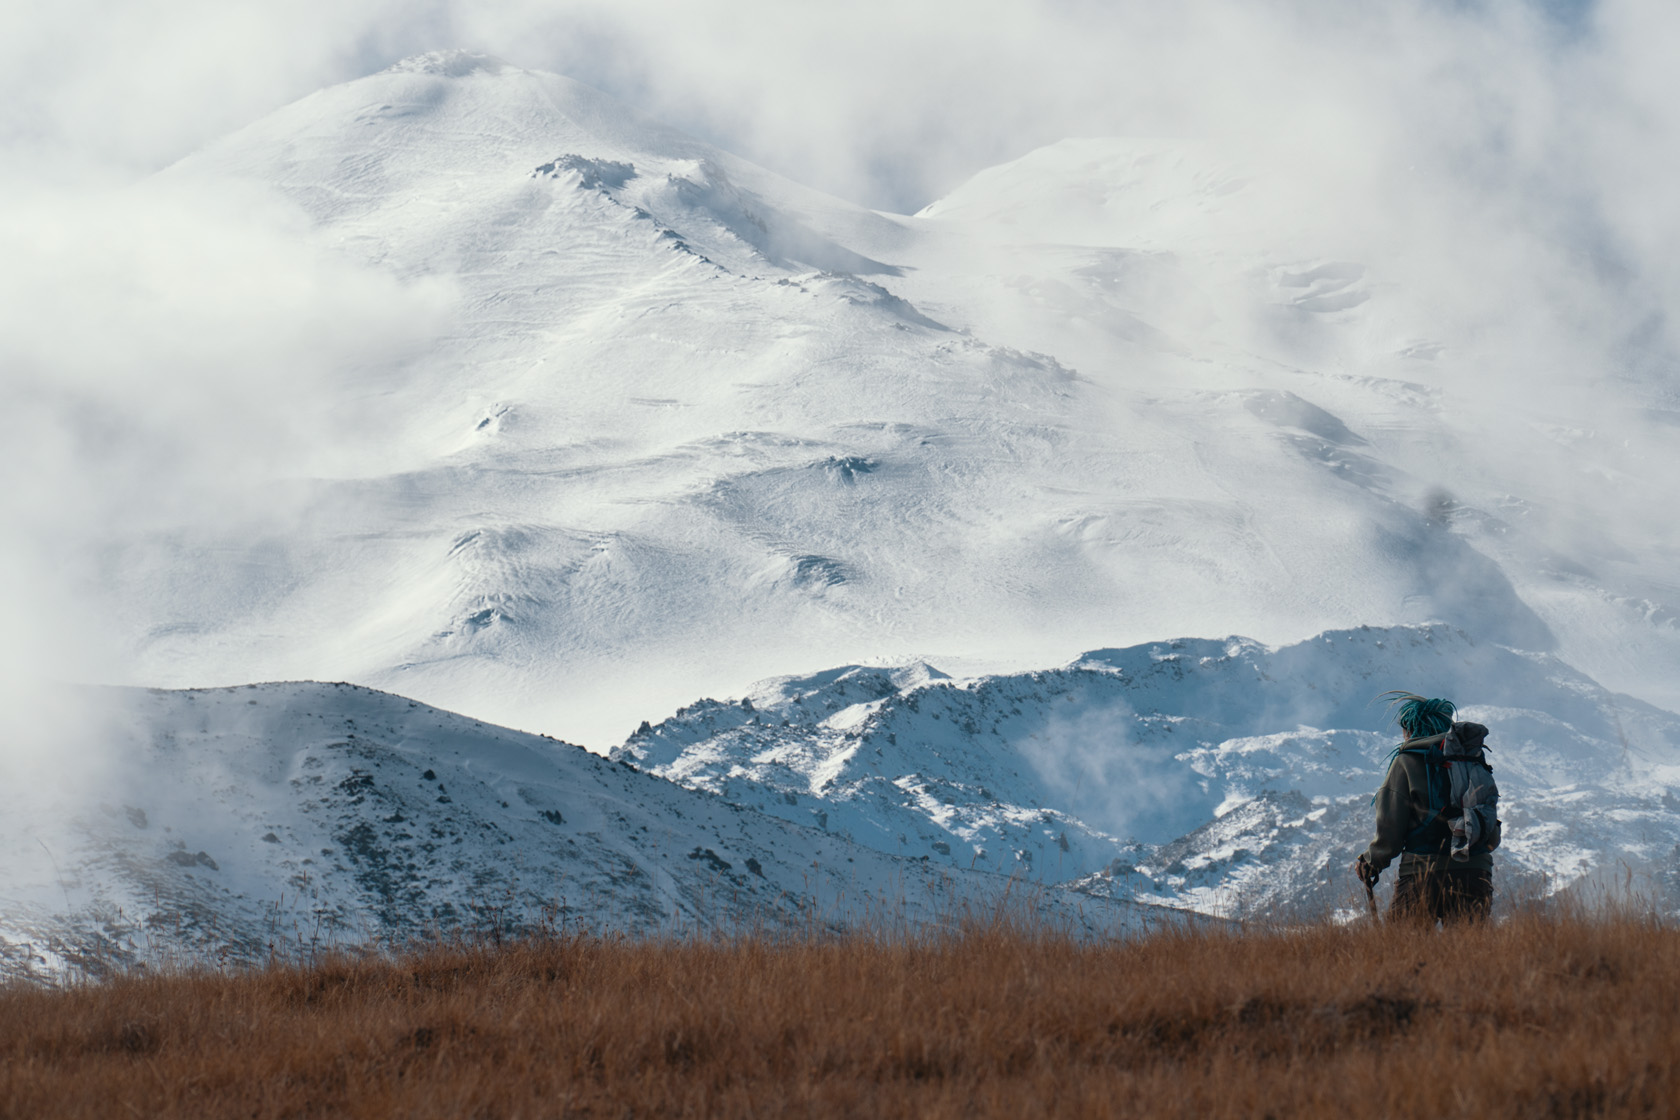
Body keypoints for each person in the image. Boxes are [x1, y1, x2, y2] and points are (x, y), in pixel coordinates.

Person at [1354, 694, 1497, 923]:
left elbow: (1390, 828)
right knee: (1469, 953)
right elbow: (1491, 827)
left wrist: (1371, 862)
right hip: (1476, 872)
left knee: (1405, 951)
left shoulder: (1406, 761)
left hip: (1421, 874)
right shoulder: (1472, 759)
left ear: (1410, 729)